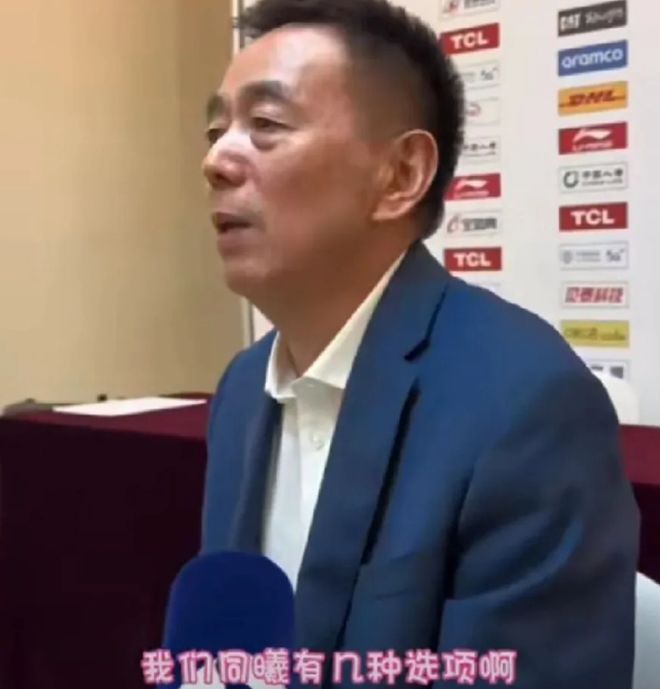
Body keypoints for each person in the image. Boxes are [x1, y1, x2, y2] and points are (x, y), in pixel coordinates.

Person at [200, 0, 639, 686]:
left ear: (401, 175)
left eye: (266, 125)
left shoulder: (526, 403)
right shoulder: (240, 390)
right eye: (215, 128)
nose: (216, 159)